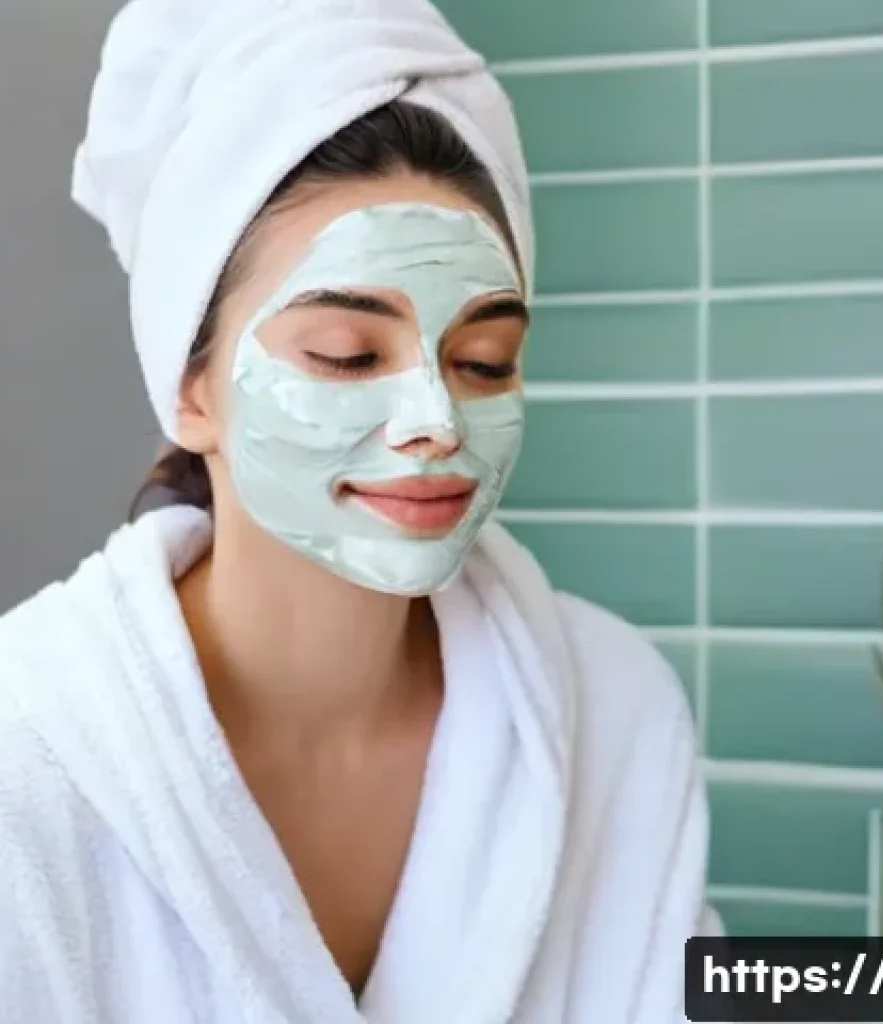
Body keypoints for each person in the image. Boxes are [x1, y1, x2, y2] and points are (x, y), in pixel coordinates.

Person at [0, 0, 721, 1020]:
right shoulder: (28, 752)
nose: (436, 421)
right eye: (346, 355)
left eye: (484, 362)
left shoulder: (613, 709)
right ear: (190, 391)